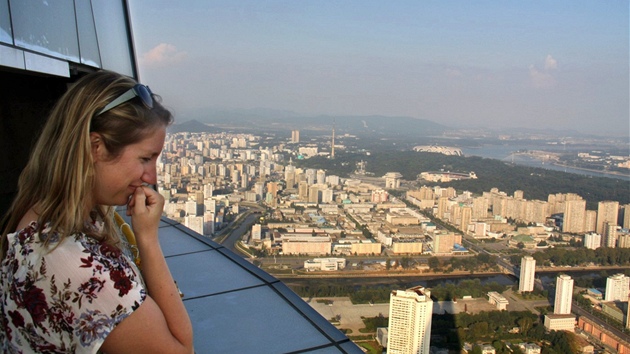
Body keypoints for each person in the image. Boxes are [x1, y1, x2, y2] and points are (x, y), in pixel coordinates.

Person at [0, 70, 194, 353]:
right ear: (95, 148)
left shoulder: (38, 217)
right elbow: (183, 350)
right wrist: (149, 241)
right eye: (145, 158)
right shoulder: (81, 269)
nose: (150, 176)